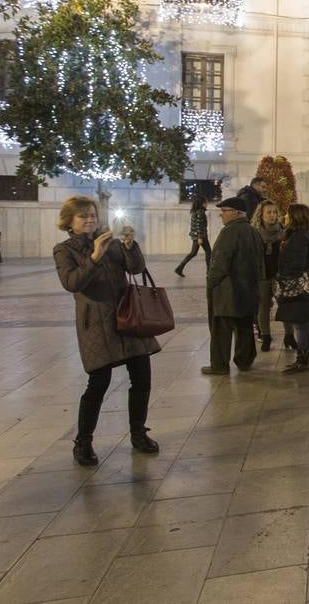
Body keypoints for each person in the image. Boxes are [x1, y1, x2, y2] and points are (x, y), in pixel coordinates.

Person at [53, 196, 159, 466]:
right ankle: (83, 442)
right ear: (70, 221)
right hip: (96, 324)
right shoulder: (64, 250)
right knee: (98, 384)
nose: (89, 219)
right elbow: (72, 282)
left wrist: (130, 245)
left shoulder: (111, 241)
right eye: (83, 216)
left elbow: (135, 268)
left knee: (142, 378)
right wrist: (95, 257)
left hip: (128, 317)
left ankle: (138, 433)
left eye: (92, 215)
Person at [202, 198, 265, 375]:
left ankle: (219, 365)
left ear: (236, 212)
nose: (221, 214)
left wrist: (211, 283)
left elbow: (220, 263)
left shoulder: (229, 232)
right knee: (244, 328)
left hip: (227, 292)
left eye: (225, 210)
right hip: (248, 290)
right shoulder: (253, 232)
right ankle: (244, 361)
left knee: (221, 330)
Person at [276, 203, 309, 373]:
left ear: (296, 217)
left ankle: (304, 359)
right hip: (302, 282)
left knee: (301, 323)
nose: (285, 217)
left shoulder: (298, 237)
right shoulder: (302, 234)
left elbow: (295, 263)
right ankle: (303, 357)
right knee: (301, 322)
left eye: (287, 214)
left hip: (297, 285)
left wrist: (282, 277)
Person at [251, 199, 283, 351]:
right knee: (263, 307)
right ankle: (265, 336)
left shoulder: (282, 230)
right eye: (269, 212)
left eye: (274, 212)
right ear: (261, 215)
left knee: (284, 305)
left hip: (279, 275)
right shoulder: (255, 233)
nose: (272, 215)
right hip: (261, 275)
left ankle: (289, 335)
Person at [174, 194, 211, 277]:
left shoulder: (196, 211)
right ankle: (209, 271)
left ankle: (179, 268)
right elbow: (198, 225)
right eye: (206, 202)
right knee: (208, 252)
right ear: (202, 203)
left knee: (193, 253)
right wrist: (200, 237)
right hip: (201, 236)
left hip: (197, 235)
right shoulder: (200, 212)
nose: (207, 204)